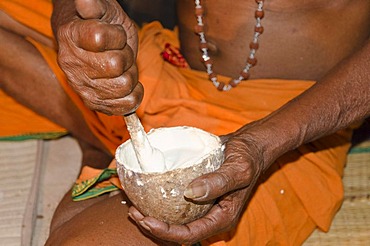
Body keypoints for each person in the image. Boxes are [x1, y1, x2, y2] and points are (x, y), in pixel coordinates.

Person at [0, 0, 369, 245]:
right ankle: (104, 136)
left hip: (286, 118)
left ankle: (99, 137)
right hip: (158, 64)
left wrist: (261, 146)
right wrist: (71, 17)